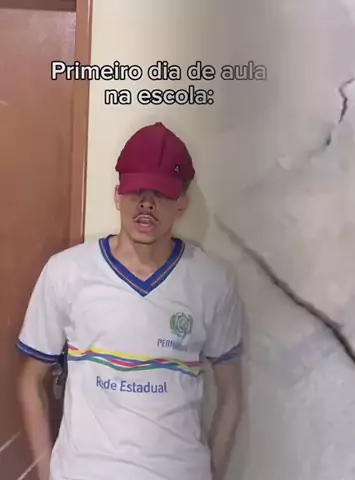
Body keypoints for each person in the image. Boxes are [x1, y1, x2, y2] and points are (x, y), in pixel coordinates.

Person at [16, 122, 245, 480]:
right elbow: (31, 381)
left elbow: (231, 392)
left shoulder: (213, 281)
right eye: (137, 190)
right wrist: (47, 474)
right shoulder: (67, 272)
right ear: (117, 195)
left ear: (182, 204)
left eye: (161, 193)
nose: (146, 204)